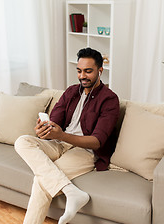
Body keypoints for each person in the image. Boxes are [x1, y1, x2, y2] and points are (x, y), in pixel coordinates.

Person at [14, 47, 120, 224]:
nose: (82, 76)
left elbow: (96, 141)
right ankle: (72, 192)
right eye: (79, 71)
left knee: (41, 181)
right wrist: (44, 130)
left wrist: (61, 135)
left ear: (100, 71)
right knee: (22, 141)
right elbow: (54, 121)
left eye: (88, 71)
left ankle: (73, 196)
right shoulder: (71, 92)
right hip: (58, 143)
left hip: (84, 151)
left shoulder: (109, 100)